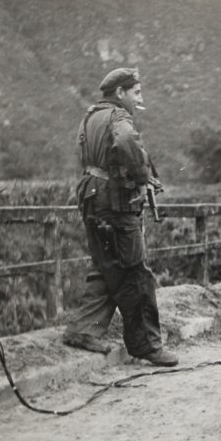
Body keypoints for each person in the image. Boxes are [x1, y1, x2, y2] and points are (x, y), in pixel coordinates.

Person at [62, 68, 176, 367]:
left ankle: (83, 329)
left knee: (107, 265)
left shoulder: (90, 116)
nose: (140, 99)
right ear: (120, 93)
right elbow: (126, 140)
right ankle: (146, 346)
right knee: (136, 272)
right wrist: (141, 178)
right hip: (114, 202)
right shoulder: (118, 118)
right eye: (136, 93)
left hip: (91, 198)